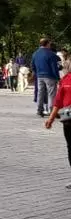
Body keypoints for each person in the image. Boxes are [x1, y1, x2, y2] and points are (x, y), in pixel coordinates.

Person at [44, 59, 71, 188]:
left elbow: (58, 103)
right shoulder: (65, 80)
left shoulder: (65, 80)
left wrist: (51, 119)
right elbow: (58, 101)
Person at [33, 38, 61, 117]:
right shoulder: (51, 54)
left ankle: (39, 110)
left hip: (39, 76)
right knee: (51, 94)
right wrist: (58, 78)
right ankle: (51, 111)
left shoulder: (35, 53)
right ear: (47, 44)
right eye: (49, 44)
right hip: (50, 76)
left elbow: (33, 66)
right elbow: (54, 67)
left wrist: (37, 73)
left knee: (40, 93)